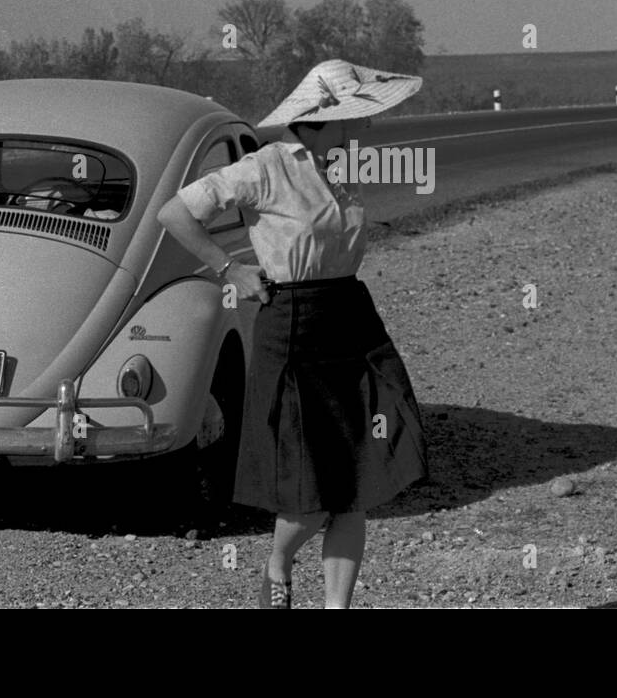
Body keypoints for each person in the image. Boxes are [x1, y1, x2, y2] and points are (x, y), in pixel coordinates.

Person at [157, 59, 429, 609]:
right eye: (357, 117)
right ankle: (278, 565)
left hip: (351, 321)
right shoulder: (266, 167)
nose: (367, 127)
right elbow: (174, 212)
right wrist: (226, 267)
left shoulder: (343, 168)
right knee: (308, 496)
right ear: (324, 118)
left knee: (357, 486)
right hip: (294, 326)